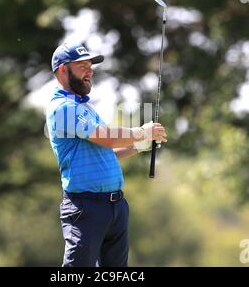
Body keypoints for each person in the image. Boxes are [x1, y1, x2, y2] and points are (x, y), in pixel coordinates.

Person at [45, 42, 167, 267]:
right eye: (82, 66)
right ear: (63, 70)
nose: (90, 70)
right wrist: (141, 132)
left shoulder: (85, 108)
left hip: (116, 207)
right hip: (85, 208)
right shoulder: (62, 108)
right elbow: (107, 137)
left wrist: (140, 146)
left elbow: (105, 153)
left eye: (90, 66)